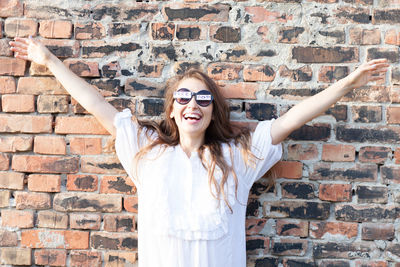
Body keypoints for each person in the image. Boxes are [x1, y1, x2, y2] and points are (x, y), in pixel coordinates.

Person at [10, 37, 388, 267]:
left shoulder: (237, 156)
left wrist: (346, 85)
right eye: (184, 96)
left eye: (204, 97)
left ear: (212, 110)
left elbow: (290, 120)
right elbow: (97, 106)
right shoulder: (147, 151)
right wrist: (49, 61)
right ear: (173, 108)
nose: (194, 103)